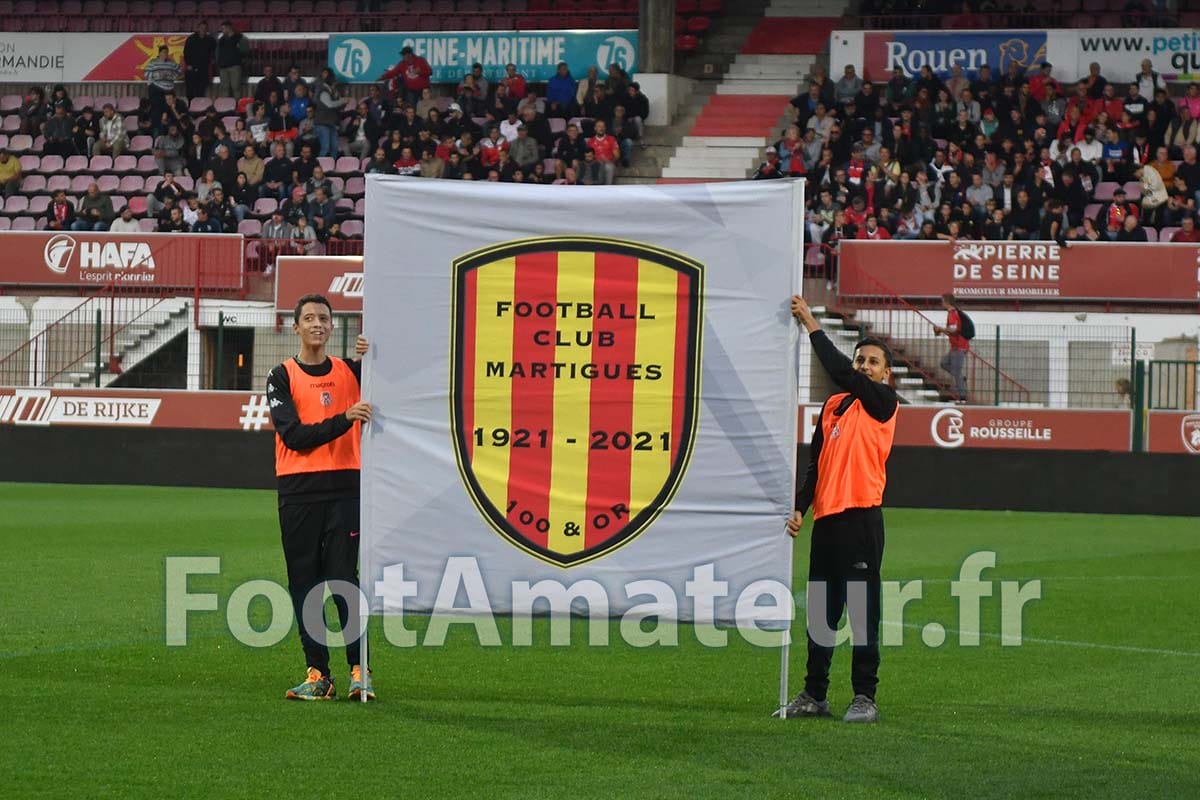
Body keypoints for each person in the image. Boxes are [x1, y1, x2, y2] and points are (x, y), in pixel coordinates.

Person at [780, 295, 897, 724]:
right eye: (861, 360)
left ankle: (865, 696)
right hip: (827, 521)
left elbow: (839, 371)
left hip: (861, 519)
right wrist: (799, 509)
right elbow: (816, 465)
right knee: (820, 613)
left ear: (886, 374)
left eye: (872, 362)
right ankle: (815, 693)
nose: (865, 366)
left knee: (862, 613)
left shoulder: (882, 403)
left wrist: (811, 323)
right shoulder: (832, 407)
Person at [267, 294, 373, 701]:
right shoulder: (281, 376)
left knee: (344, 582)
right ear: (296, 327)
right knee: (305, 585)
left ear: (331, 327)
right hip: (298, 493)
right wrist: (343, 419)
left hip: (345, 489)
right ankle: (318, 675)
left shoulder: (352, 371)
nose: (316, 324)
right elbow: (293, 437)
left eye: (323, 318)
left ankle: (359, 670)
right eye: (308, 318)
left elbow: (399, 373)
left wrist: (373, 354)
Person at [934, 293, 969, 402]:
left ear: (946, 302)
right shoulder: (953, 313)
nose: (941, 303)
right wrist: (941, 330)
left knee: (956, 371)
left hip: (959, 346)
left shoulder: (953, 313)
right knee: (944, 363)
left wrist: (941, 329)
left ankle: (962, 397)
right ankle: (961, 380)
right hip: (955, 346)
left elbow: (953, 330)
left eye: (942, 301)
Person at [183, 21, 217, 100]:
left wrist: (213, 59)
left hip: (203, 69)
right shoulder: (191, 39)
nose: (203, 30)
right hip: (191, 68)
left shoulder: (210, 40)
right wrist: (188, 64)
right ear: (198, 28)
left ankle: (199, 108)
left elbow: (215, 51)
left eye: (205, 28)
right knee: (190, 90)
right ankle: (190, 107)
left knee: (201, 91)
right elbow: (186, 52)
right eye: (201, 28)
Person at [216, 20, 249, 98]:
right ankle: (226, 107)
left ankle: (236, 106)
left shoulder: (240, 38)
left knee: (236, 87)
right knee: (224, 88)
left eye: (223, 29)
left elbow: (245, 51)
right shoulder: (221, 40)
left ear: (229, 28)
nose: (222, 31)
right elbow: (217, 52)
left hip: (235, 66)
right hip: (223, 66)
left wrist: (240, 58)